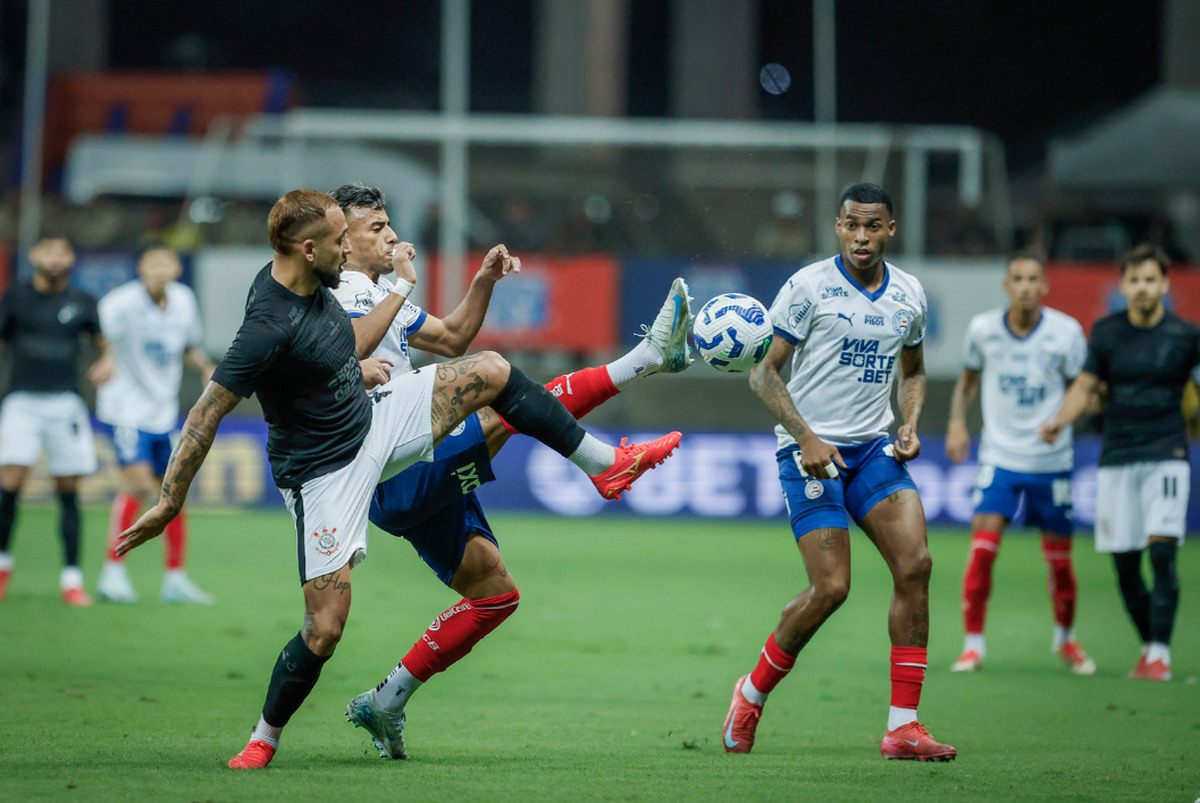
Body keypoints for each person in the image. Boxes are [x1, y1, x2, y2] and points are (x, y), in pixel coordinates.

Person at [114, 189, 681, 770]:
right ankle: (264, 737)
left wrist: (356, 360)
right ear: (312, 250)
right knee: (325, 629)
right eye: (347, 236)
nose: (367, 243)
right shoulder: (269, 321)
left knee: (491, 373)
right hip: (323, 469)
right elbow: (206, 412)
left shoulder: (327, 279)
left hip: (377, 417)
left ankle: (606, 464)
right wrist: (167, 502)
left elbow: (374, 342)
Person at [325, 183, 693, 760]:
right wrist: (398, 286)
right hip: (390, 472)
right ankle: (638, 374)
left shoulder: (378, 292)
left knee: (494, 594)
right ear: (340, 243)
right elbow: (345, 349)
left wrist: (482, 284)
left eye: (389, 222)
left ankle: (386, 701)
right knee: (502, 406)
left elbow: (450, 339)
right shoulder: (343, 291)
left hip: (422, 459)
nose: (392, 235)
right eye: (375, 229)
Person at [721, 183, 955, 761]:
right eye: (851, 224)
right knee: (831, 588)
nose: (861, 236)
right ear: (837, 226)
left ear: (890, 230)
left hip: (873, 450)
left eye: (873, 226)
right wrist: (807, 436)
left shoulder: (909, 295)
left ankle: (903, 726)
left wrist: (911, 419)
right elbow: (763, 375)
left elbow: (916, 368)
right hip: (808, 454)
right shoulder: (808, 287)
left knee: (917, 564)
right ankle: (750, 694)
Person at [1040, 243, 1200, 683]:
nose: (1143, 288)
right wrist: (1058, 421)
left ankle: (1161, 654)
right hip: (1117, 458)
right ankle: (1150, 647)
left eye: (1151, 279)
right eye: (1135, 280)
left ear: (1165, 284)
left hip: (1167, 454)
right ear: (1123, 285)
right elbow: (1085, 386)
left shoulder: (1186, 335)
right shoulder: (1107, 333)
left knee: (1163, 555)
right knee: (1125, 564)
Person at [944, 253, 1095, 674]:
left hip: (1052, 459)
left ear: (1044, 286)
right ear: (1006, 286)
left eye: (1033, 279)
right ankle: (973, 645)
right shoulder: (983, 330)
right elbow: (968, 380)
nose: (1026, 286)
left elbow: (1083, 389)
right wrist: (957, 423)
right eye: (1018, 279)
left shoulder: (1066, 333)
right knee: (983, 551)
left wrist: (1064, 419)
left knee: (1060, 563)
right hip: (1000, 458)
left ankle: (1066, 640)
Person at [91, 246, 217, 605]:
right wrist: (105, 357)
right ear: (140, 267)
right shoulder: (119, 303)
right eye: (153, 264)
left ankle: (175, 579)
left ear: (177, 268)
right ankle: (111, 573)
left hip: (162, 414)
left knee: (174, 496)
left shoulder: (183, 301)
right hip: (125, 410)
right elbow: (98, 335)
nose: (160, 270)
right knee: (136, 486)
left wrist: (205, 366)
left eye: (167, 263)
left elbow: (189, 346)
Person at [0, 236, 111, 606]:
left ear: (70, 258)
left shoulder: (81, 301)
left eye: (63, 251)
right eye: (48, 250)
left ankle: (71, 580)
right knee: (9, 483)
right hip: (21, 402)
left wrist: (106, 360)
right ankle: (2, 567)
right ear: (34, 256)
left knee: (68, 490)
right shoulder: (15, 297)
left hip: (66, 403)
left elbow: (101, 341)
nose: (55, 258)